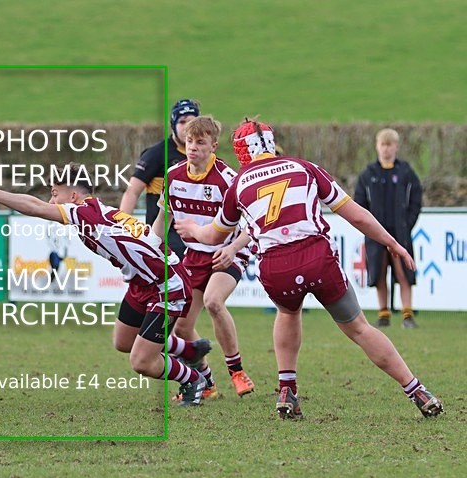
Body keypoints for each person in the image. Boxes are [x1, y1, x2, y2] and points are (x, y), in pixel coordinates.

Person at [174, 118, 443, 419]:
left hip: (276, 266)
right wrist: (392, 243)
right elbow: (357, 216)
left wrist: (191, 229)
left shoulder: (239, 183)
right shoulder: (304, 167)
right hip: (317, 258)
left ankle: (287, 389)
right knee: (359, 328)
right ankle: (416, 389)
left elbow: (212, 236)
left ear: (241, 152)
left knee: (288, 312)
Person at [0, 162, 211, 406]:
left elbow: (35, 208)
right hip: (143, 283)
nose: (51, 201)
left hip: (166, 286)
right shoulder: (98, 210)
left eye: (55, 194)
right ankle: (189, 350)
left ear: (73, 195)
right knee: (123, 342)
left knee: (141, 362)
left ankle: (194, 380)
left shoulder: (83, 212)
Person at [150, 115, 255, 399]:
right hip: (195, 255)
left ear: (213, 146)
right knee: (183, 326)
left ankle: (236, 370)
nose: (193, 147)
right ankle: (206, 383)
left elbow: (252, 223)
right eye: (189, 141)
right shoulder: (173, 177)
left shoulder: (228, 180)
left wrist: (232, 249)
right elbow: (163, 219)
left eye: (200, 142)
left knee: (213, 301)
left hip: (229, 252)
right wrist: (148, 252)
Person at [353, 129, 423, 329]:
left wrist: (407, 224)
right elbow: (359, 203)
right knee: (379, 273)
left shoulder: (406, 172)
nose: (386, 149)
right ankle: (383, 314)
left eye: (389, 144)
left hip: (400, 234)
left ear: (396, 147)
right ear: (377, 146)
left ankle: (407, 315)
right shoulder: (368, 174)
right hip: (376, 234)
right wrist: (369, 227)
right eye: (383, 144)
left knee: (404, 273)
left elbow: (416, 200)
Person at [119, 98, 201, 257]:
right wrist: (121, 228)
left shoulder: (203, 154)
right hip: (164, 234)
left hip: (195, 232)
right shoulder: (157, 154)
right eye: (182, 122)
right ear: (173, 125)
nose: (187, 127)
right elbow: (132, 192)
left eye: (192, 122)